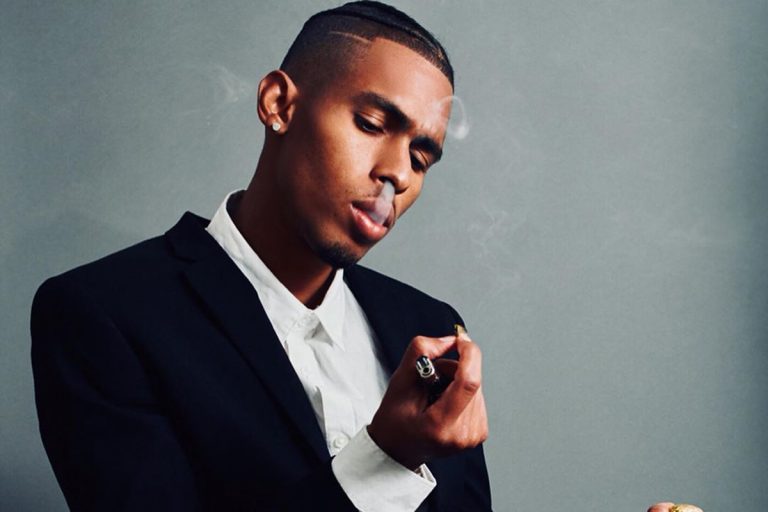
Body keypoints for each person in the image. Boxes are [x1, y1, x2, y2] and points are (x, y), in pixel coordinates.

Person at [31, 2, 489, 511]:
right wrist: (385, 459)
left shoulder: (431, 329)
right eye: (371, 123)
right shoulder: (103, 314)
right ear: (279, 104)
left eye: (420, 159)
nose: (398, 175)